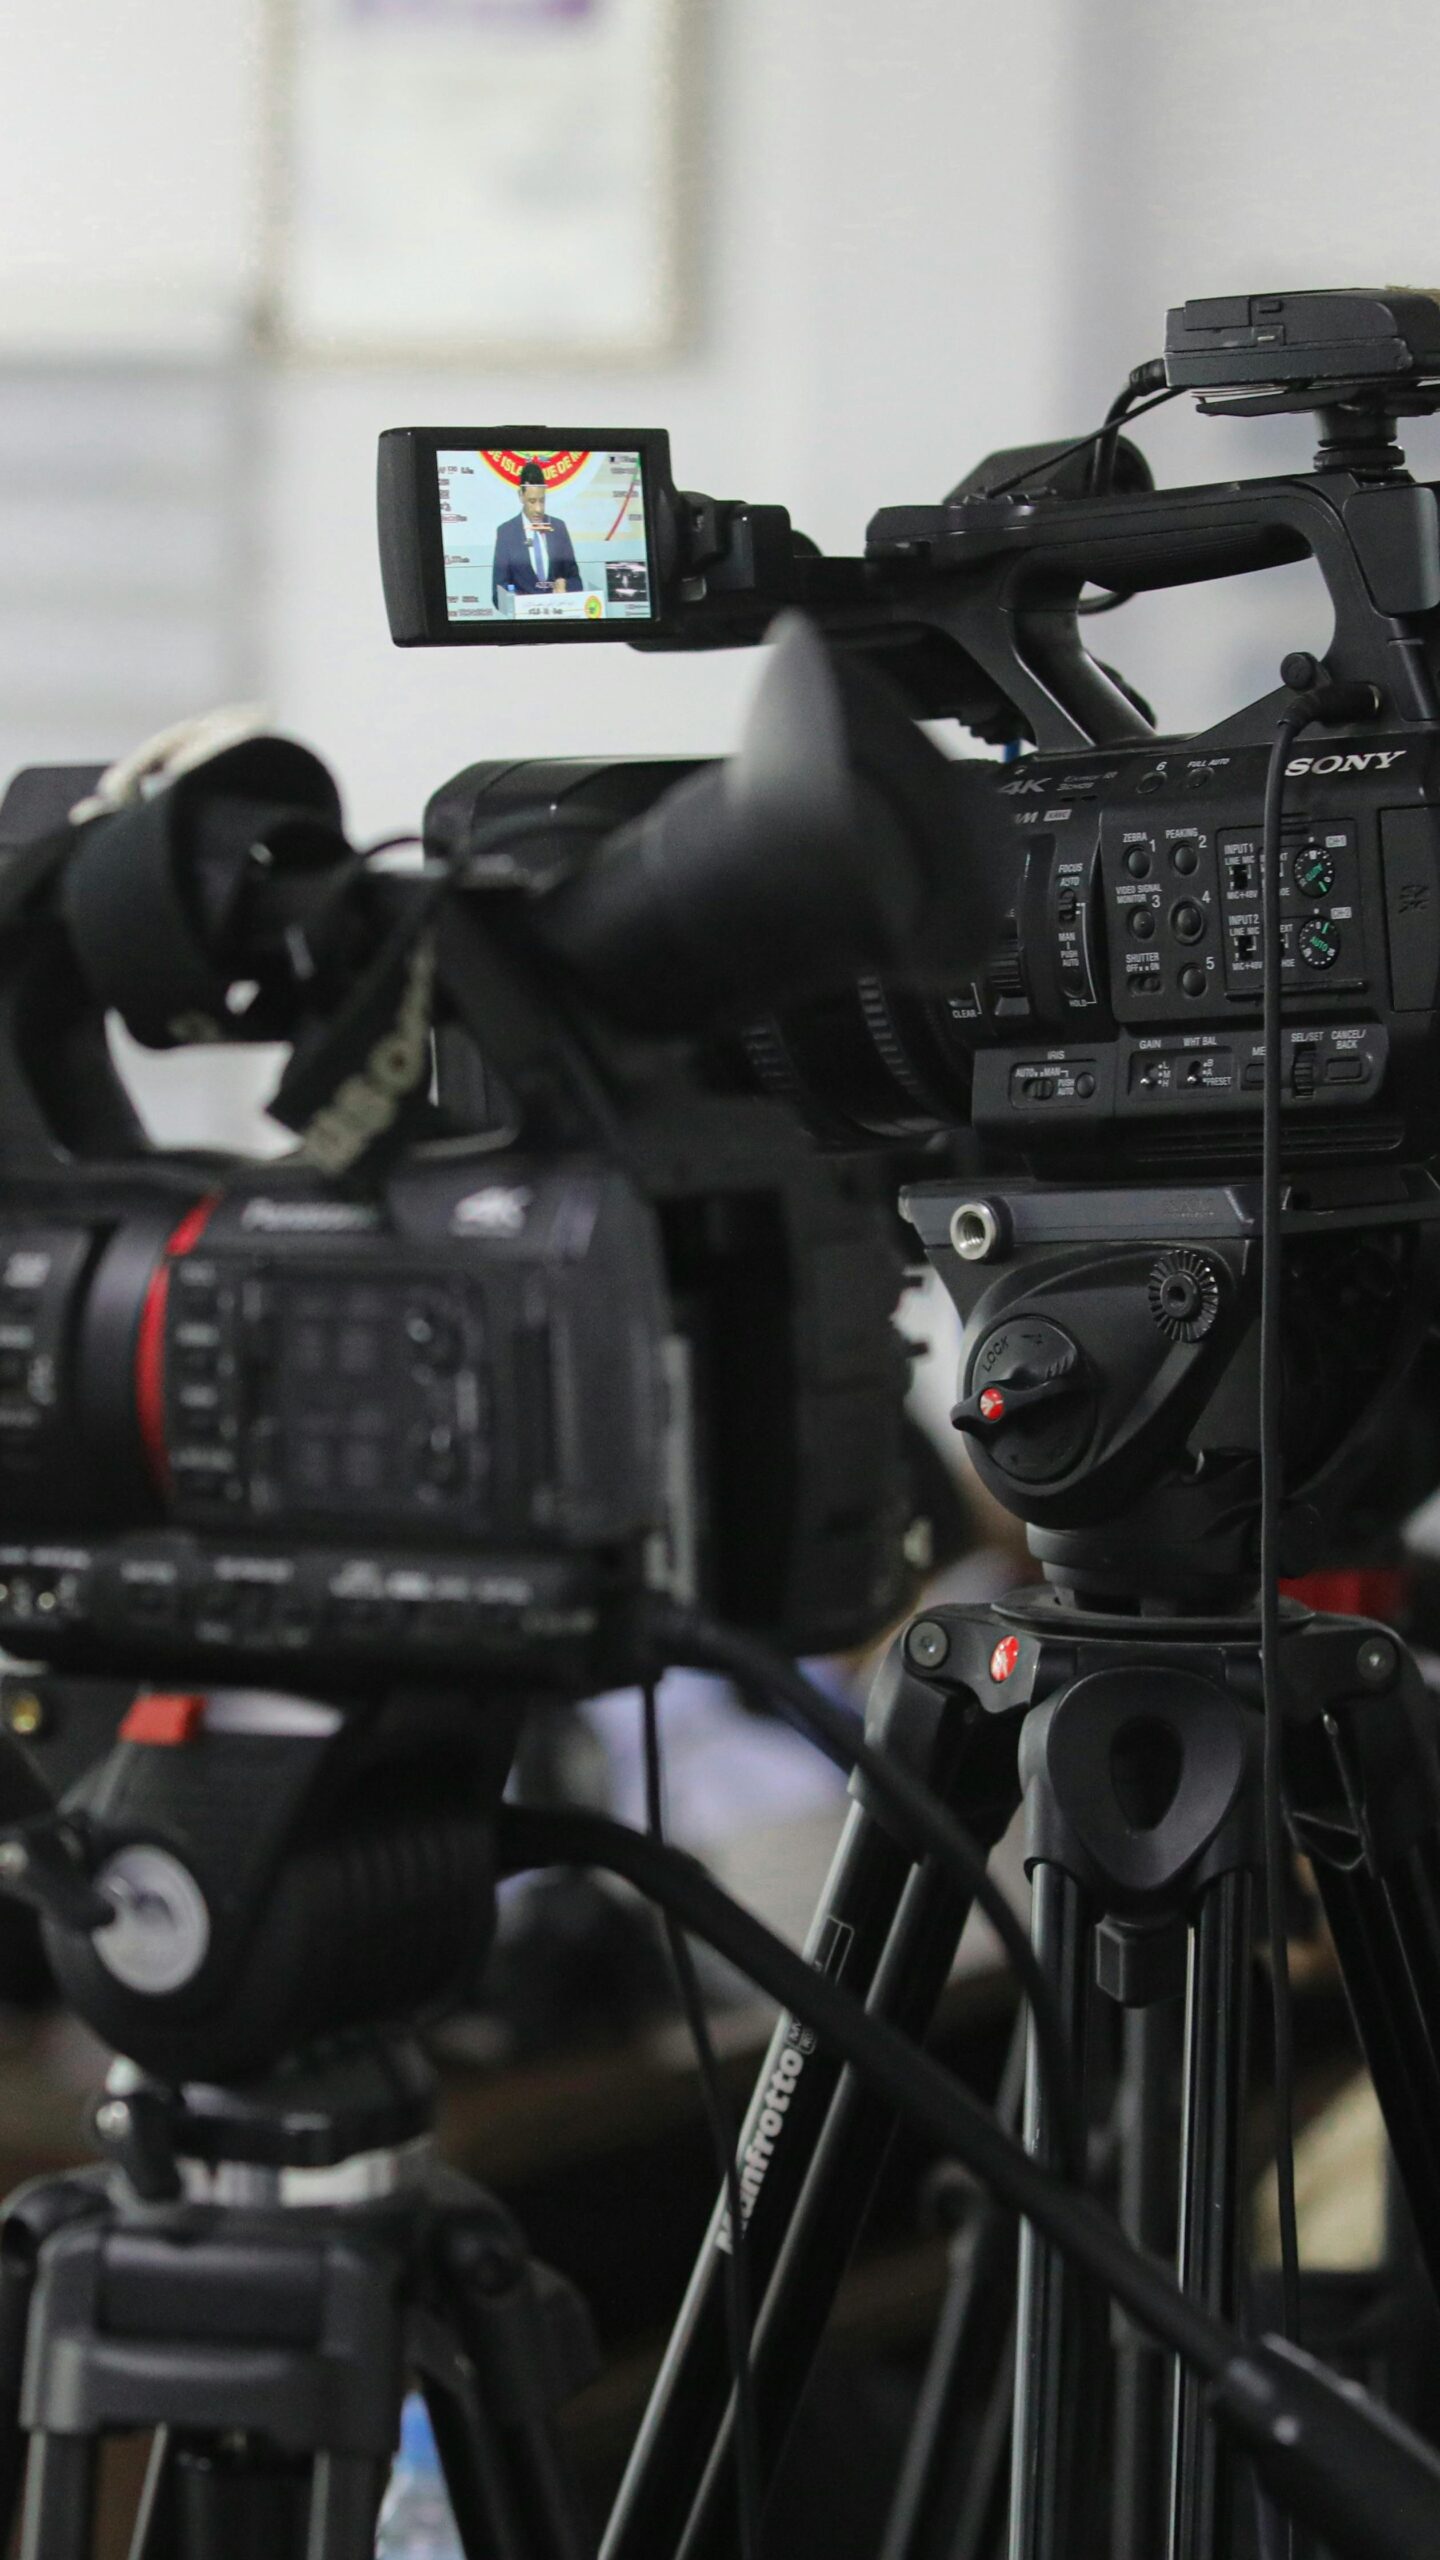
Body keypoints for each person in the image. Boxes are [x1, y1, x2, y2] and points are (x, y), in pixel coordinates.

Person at [491, 462, 581, 604]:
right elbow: (498, 591)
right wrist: (520, 602)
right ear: (521, 495)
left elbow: (576, 581)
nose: (538, 509)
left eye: (542, 500)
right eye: (532, 501)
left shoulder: (559, 528)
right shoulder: (506, 533)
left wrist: (565, 586)